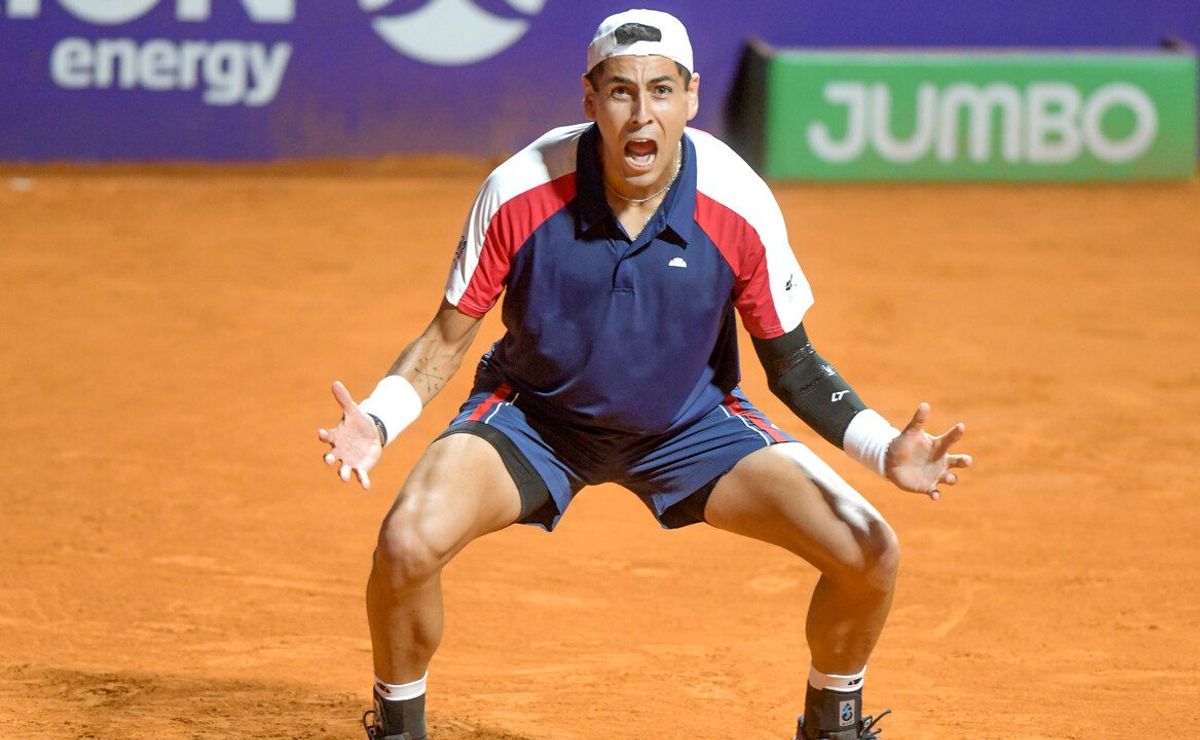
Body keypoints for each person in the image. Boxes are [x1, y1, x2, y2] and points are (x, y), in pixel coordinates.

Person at [319, 9, 972, 740]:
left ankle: (834, 725)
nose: (642, 113)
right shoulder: (520, 189)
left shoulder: (738, 200)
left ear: (691, 97)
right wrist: (378, 417)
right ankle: (400, 728)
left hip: (689, 426)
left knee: (870, 549)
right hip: (537, 421)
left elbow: (792, 365)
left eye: (661, 91)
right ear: (589, 99)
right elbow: (446, 338)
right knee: (407, 541)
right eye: (622, 91)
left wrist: (884, 449)